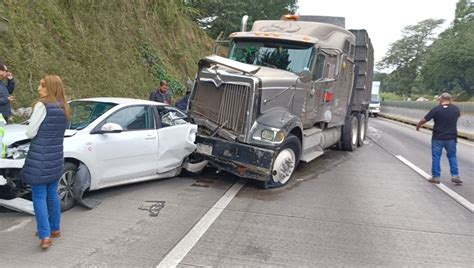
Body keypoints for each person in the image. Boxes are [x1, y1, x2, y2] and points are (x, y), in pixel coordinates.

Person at [21, 75, 71, 249]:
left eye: (42, 85)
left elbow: (30, 133)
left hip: (40, 158)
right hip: (56, 157)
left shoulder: (42, 106)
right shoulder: (64, 106)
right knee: (52, 194)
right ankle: (55, 229)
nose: (38, 88)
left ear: (50, 88)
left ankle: (45, 235)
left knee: (39, 196)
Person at [416, 92, 462, 185]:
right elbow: (459, 115)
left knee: (436, 157)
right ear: (450, 99)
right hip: (451, 138)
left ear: (441, 99)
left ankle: (436, 177)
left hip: (438, 137)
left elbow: (424, 120)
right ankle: (455, 175)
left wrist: (418, 126)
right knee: (452, 156)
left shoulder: (436, 109)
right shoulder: (455, 109)